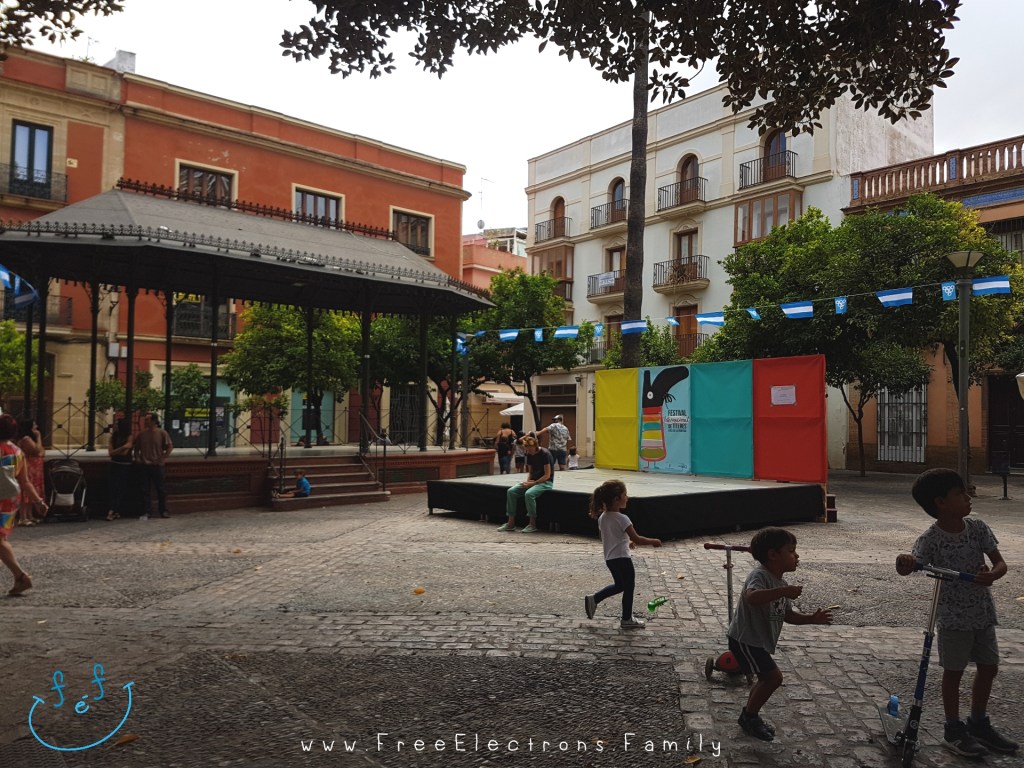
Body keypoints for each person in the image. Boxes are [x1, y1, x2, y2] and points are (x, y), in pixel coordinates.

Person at [895, 468, 1018, 757]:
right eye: (960, 494)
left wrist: (993, 576)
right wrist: (905, 562)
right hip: (952, 618)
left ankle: (978, 722)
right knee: (954, 671)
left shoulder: (978, 528)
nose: (967, 497)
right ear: (941, 502)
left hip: (982, 612)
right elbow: (912, 565)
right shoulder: (930, 539)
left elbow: (1000, 563)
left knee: (989, 667)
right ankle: (953, 728)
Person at [728, 527, 833, 741]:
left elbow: (787, 615)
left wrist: (811, 618)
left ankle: (749, 714)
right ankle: (749, 716)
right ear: (773, 555)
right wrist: (783, 591)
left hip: (757, 641)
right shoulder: (760, 575)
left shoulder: (780, 582)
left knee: (766, 679)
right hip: (746, 639)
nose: (797, 556)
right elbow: (752, 597)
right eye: (791, 551)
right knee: (772, 678)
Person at [583, 480, 661, 629]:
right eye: (624, 494)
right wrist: (654, 541)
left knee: (620, 585)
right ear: (616, 499)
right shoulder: (622, 519)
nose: (627, 497)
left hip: (610, 558)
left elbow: (608, 537)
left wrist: (626, 542)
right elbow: (637, 538)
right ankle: (626, 618)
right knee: (629, 587)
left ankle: (595, 599)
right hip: (622, 559)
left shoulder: (603, 517)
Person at [0, 414, 48, 595]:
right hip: (9, 500)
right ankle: (19, 577)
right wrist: (38, 501)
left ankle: (21, 576)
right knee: (1, 539)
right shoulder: (18, 452)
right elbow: (25, 481)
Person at [498, 435, 553, 534]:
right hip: (533, 481)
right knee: (511, 491)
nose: (528, 452)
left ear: (535, 446)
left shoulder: (545, 454)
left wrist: (533, 483)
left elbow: (547, 475)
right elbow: (531, 472)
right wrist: (527, 482)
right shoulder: (528, 455)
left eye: (530, 449)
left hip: (545, 482)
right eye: (526, 449)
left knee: (529, 494)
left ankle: (532, 524)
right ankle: (511, 523)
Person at [134, 413, 173, 520]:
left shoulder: (162, 433)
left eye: (147, 420)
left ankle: (163, 510)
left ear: (154, 421)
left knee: (161, 489)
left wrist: (162, 459)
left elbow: (169, 446)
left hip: (157, 465)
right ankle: (146, 511)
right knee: (144, 490)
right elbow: (136, 448)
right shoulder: (142, 434)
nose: (145, 422)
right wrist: (137, 458)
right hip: (145, 465)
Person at [16, 419, 45, 525]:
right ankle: (23, 517)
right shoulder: (26, 439)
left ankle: (29, 515)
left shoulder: (29, 439)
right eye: (34, 425)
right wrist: (38, 436)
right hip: (29, 466)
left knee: (32, 490)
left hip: (35, 467)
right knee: (26, 491)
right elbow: (37, 450)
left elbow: (42, 451)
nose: (36, 427)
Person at [106, 417, 134, 521]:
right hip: (115, 464)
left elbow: (123, 454)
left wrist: (116, 451)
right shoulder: (114, 436)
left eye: (117, 424)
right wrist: (123, 447)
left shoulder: (129, 436)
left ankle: (112, 510)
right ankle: (114, 510)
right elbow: (111, 453)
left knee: (120, 488)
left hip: (124, 465)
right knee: (113, 488)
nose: (115, 426)